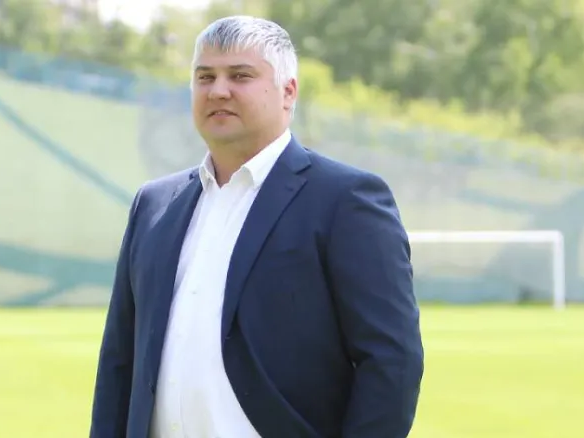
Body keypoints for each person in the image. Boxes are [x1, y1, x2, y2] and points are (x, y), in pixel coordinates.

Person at [89, 15, 424, 438]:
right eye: (205, 76)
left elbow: (392, 361)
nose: (218, 90)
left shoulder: (345, 200)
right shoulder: (154, 204)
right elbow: (119, 362)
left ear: (288, 92)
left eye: (240, 75)